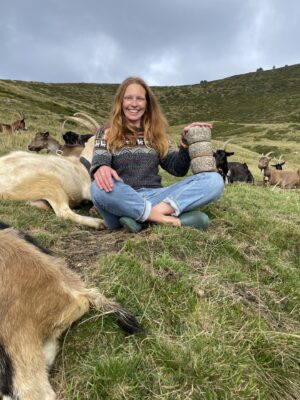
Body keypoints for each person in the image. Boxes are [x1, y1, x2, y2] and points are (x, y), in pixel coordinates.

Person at [90, 76, 224, 232]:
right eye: (128, 98)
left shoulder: (155, 135)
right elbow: (100, 160)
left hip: (155, 197)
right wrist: (101, 167)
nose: (134, 104)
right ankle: (161, 218)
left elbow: (177, 169)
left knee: (214, 180)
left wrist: (185, 144)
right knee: (97, 187)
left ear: (147, 104)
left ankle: (145, 217)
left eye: (140, 99)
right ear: (121, 102)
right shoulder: (106, 131)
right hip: (123, 199)